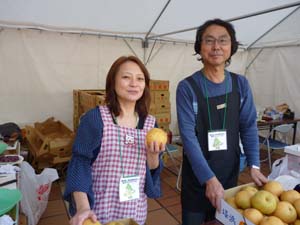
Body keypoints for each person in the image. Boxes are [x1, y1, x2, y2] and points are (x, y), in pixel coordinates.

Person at [176, 19, 268, 225]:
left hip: (229, 172)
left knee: (224, 221)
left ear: (231, 47)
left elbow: (248, 127)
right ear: (199, 46)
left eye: (223, 41)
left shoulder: (240, 84)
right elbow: (188, 136)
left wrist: (254, 164)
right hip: (198, 177)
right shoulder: (187, 87)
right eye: (209, 41)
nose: (216, 46)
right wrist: (208, 179)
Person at [64, 56, 165, 225]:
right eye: (126, 77)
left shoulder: (150, 123)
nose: (134, 83)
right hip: (97, 210)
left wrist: (153, 155)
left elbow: (152, 169)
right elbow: (80, 163)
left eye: (140, 79)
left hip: (134, 210)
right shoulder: (95, 119)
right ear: (113, 82)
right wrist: (83, 207)